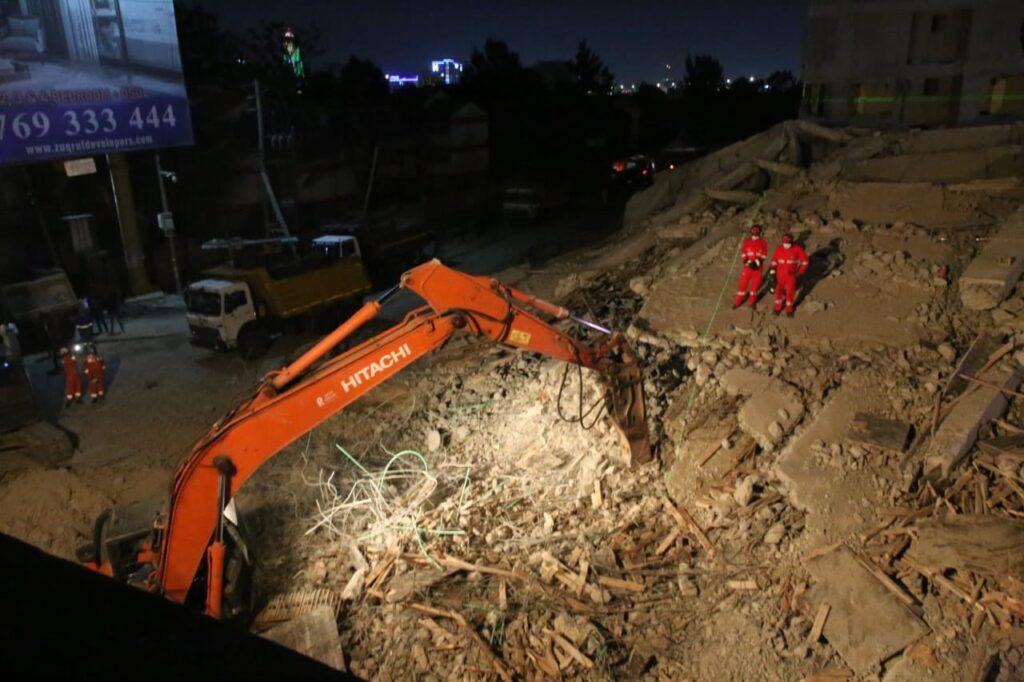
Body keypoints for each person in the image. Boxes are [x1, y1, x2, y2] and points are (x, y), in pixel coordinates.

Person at [769, 233, 810, 317]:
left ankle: (789, 309)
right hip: (779, 276)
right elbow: (774, 260)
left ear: (791, 242)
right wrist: (772, 271)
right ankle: (777, 308)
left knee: (790, 293)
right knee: (778, 293)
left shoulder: (797, 249)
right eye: (784, 243)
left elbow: (805, 261)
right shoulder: (779, 249)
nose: (786, 245)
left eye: (788, 243)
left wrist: (799, 272)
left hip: (791, 276)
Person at [732, 225, 768, 309]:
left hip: (758, 269)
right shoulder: (746, 242)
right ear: (751, 232)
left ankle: (751, 302)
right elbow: (743, 254)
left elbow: (764, 255)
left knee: (755, 287)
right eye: (753, 232)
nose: (755, 234)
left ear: (759, 233)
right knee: (742, 286)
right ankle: (737, 302)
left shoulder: (763, 243)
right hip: (747, 268)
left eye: (756, 232)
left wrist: (757, 263)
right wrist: (748, 262)